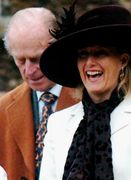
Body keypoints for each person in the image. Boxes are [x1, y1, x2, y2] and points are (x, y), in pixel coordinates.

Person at [38, 4, 131, 180]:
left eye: (100, 53)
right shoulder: (58, 122)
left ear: (123, 61)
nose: (90, 63)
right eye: (83, 55)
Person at [0, 8, 78, 179]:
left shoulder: (90, 100)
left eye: (36, 59)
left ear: (58, 48)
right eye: (20, 60)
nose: (28, 71)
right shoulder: (2, 109)